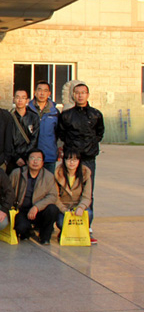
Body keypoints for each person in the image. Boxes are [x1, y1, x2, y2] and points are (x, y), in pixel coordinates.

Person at [58, 82, 104, 242]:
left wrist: (90, 146)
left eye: (83, 92)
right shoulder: (66, 115)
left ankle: (87, 226)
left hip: (88, 158)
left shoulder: (96, 114)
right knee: (67, 189)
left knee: (88, 192)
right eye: (77, 93)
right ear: (73, 95)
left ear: (88, 95)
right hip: (71, 159)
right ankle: (66, 221)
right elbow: (62, 134)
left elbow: (99, 133)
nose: (80, 95)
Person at [9, 149, 59, 245]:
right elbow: (8, 191)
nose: (35, 161)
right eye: (32, 158)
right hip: (22, 210)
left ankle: (45, 237)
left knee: (52, 209)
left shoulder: (48, 176)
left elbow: (52, 196)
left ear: (43, 162)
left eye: (39, 159)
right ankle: (27, 232)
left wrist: (37, 207)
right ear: (27, 161)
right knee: (21, 228)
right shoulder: (17, 173)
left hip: (40, 211)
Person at [54, 149, 94, 243]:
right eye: (69, 159)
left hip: (78, 205)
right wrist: (64, 210)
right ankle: (64, 231)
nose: (72, 163)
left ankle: (84, 232)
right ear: (64, 160)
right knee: (61, 222)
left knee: (89, 213)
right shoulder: (58, 173)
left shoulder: (85, 173)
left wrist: (81, 207)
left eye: (75, 160)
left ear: (79, 161)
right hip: (64, 207)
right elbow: (55, 197)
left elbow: (87, 196)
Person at [28, 80, 60, 173]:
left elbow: (59, 133)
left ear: (49, 93)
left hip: (49, 155)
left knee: (48, 180)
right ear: (35, 92)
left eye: (45, 90)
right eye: (39, 90)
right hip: (31, 155)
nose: (42, 93)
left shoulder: (55, 112)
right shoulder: (27, 110)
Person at [8, 89, 40, 174]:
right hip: (13, 158)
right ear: (14, 99)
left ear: (27, 100)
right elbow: (8, 139)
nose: (20, 100)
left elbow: (35, 138)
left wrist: (26, 156)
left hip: (28, 157)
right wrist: (16, 157)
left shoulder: (34, 117)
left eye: (23, 98)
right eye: (17, 97)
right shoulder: (9, 117)